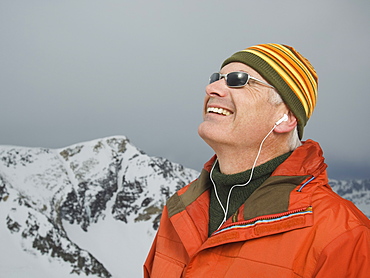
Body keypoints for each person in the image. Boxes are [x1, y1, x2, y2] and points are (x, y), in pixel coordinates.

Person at [143, 43, 370, 277]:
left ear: (286, 118)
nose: (211, 88)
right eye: (216, 78)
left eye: (238, 79)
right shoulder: (180, 211)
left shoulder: (343, 235)